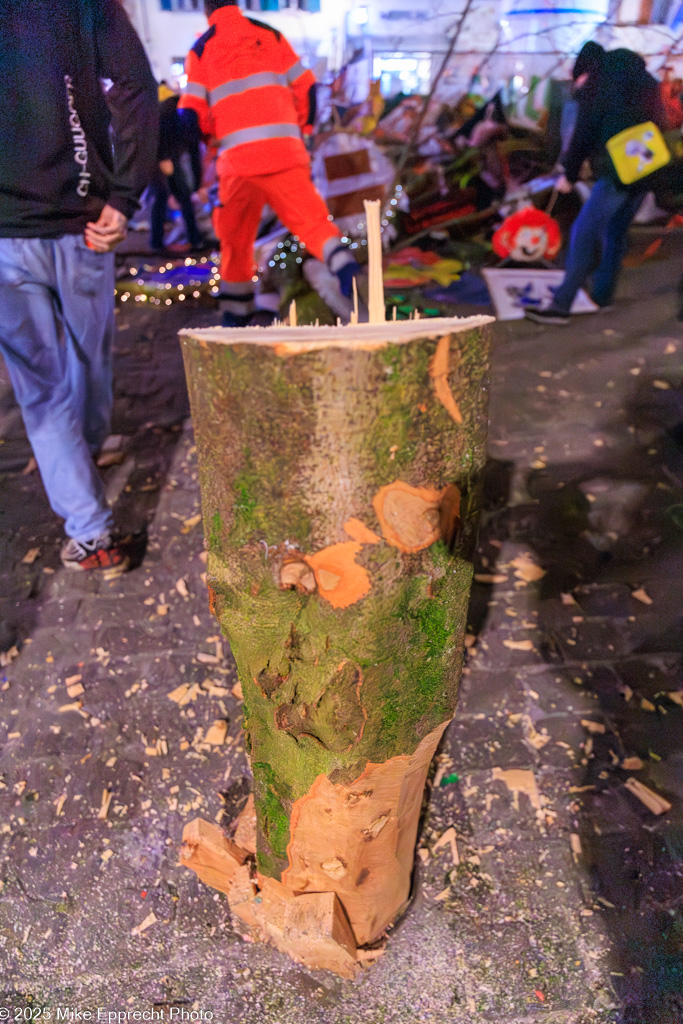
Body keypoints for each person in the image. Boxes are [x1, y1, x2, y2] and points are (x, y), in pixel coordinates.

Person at [0, 0, 158, 572]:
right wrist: (124, 194)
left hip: (12, 236)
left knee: (40, 388)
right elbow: (137, 85)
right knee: (88, 354)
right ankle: (88, 456)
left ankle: (92, 530)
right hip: (85, 222)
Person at [179, 0, 359, 327]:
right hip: (285, 153)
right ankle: (344, 266)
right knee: (311, 221)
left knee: (236, 242)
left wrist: (209, 140)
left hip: (237, 164)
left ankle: (236, 320)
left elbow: (191, 115)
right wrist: (302, 130)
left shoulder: (201, 51)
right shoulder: (270, 35)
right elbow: (308, 88)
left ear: (206, 10)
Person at [526, 44, 664, 325]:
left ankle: (561, 306)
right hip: (646, 168)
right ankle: (602, 296)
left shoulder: (600, 83)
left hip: (616, 172)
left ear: (586, 69)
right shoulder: (646, 82)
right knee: (615, 233)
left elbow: (583, 131)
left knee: (584, 231)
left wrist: (570, 173)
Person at [149, 87, 205, 253]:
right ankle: (158, 243)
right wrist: (162, 158)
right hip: (159, 156)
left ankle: (192, 240)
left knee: (180, 197)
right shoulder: (174, 113)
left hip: (167, 155)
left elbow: (195, 155)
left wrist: (197, 185)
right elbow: (156, 135)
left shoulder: (187, 116)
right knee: (162, 197)